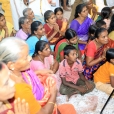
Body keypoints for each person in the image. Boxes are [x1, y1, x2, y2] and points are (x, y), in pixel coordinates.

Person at [0, 37, 77, 114]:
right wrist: (53, 94)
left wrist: (37, 72)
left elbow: (27, 75)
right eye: (25, 57)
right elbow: (43, 112)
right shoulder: (20, 89)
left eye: (28, 55)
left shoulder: (17, 72)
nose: (30, 58)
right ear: (11, 65)